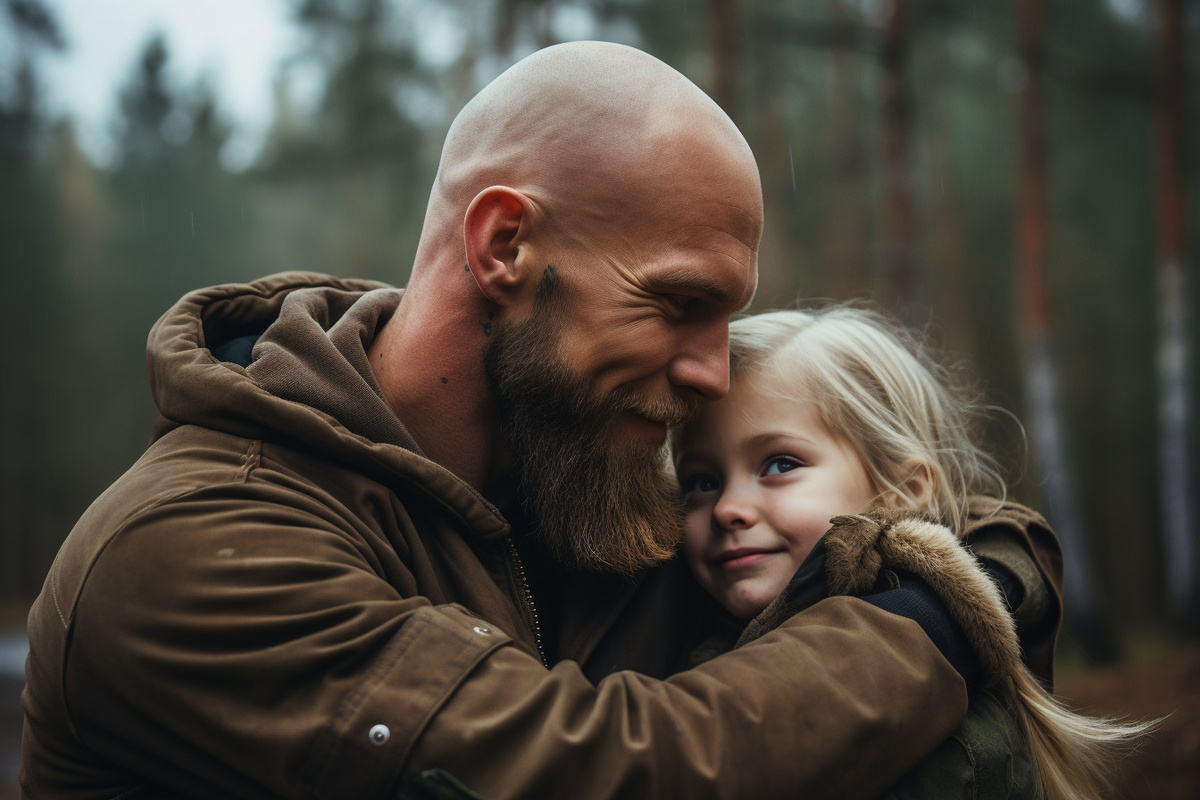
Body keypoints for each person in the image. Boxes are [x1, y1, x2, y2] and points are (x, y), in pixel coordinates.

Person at [21, 42, 1060, 799]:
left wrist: (988, 571)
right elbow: (601, 769)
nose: (709, 373)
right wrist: (943, 625)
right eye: (677, 303)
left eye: (728, 319)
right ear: (505, 245)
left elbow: (955, 516)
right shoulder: (186, 552)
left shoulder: (587, 472)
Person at [673, 305, 1154, 800]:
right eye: (701, 481)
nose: (728, 508)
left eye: (779, 464)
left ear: (902, 490)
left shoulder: (940, 715)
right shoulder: (676, 634)